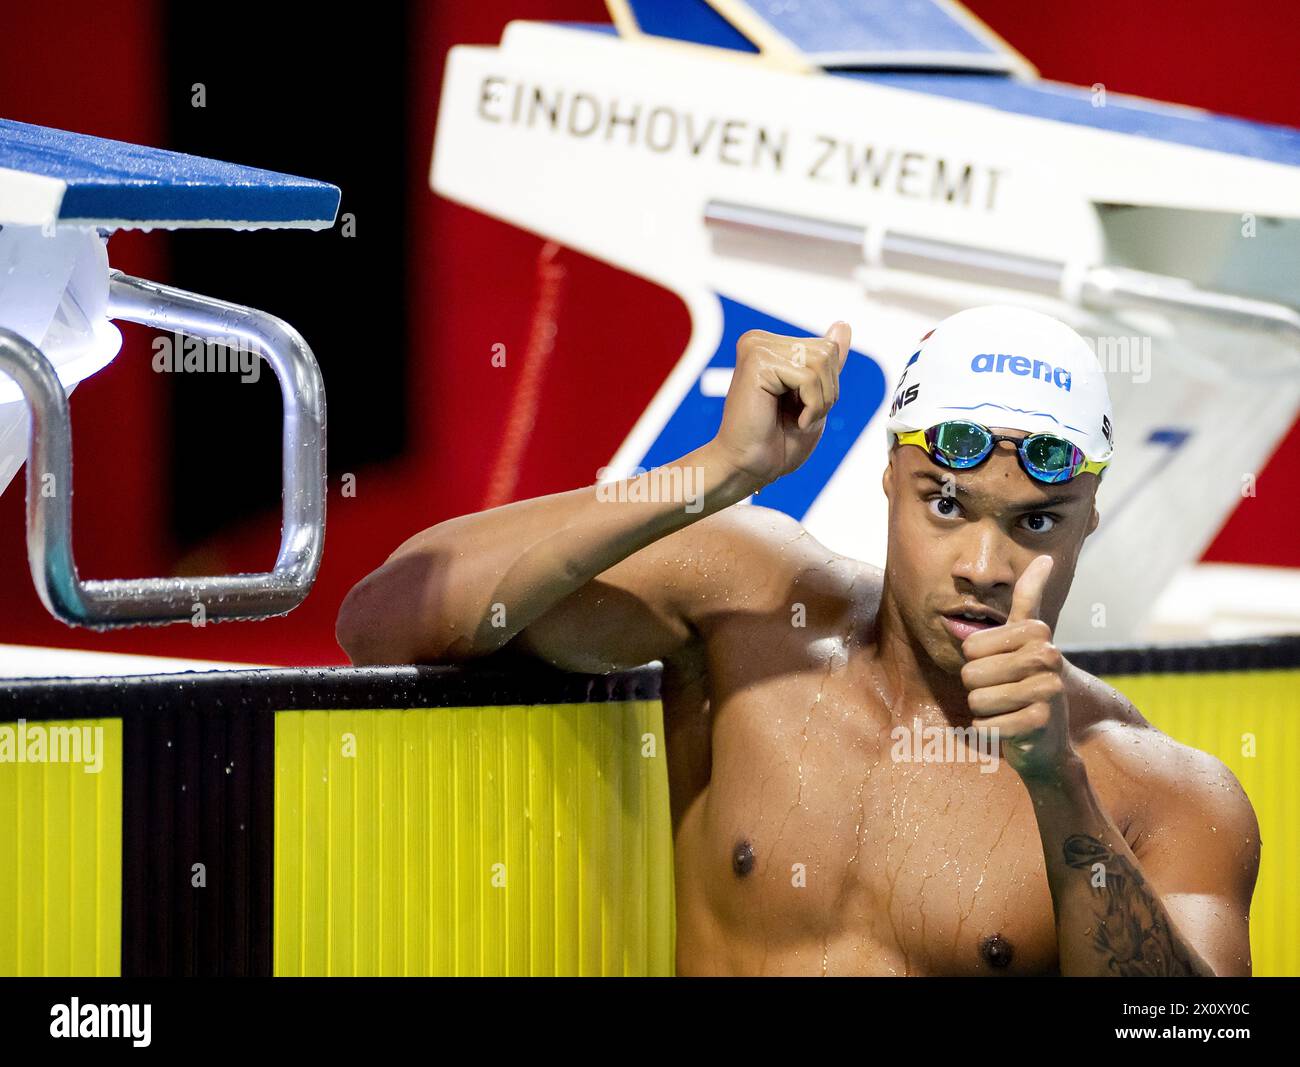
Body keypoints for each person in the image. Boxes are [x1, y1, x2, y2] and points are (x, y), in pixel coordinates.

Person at [336, 305, 1259, 976]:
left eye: (1034, 524)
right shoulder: (751, 617)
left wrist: (1059, 789)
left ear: (1088, 518)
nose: (985, 563)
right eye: (946, 502)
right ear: (889, 477)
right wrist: (714, 470)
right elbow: (384, 617)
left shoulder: (1162, 797)